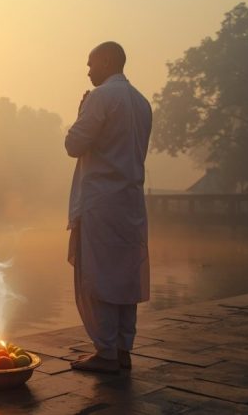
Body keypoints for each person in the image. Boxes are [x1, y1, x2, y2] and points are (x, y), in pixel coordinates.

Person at [65, 41, 152, 373]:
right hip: (130, 201)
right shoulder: (142, 102)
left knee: (98, 275)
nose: (88, 71)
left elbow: (73, 145)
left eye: (90, 64)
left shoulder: (100, 98)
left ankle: (105, 352)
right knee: (125, 276)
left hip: (100, 203)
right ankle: (122, 349)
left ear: (106, 61)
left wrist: (80, 113)